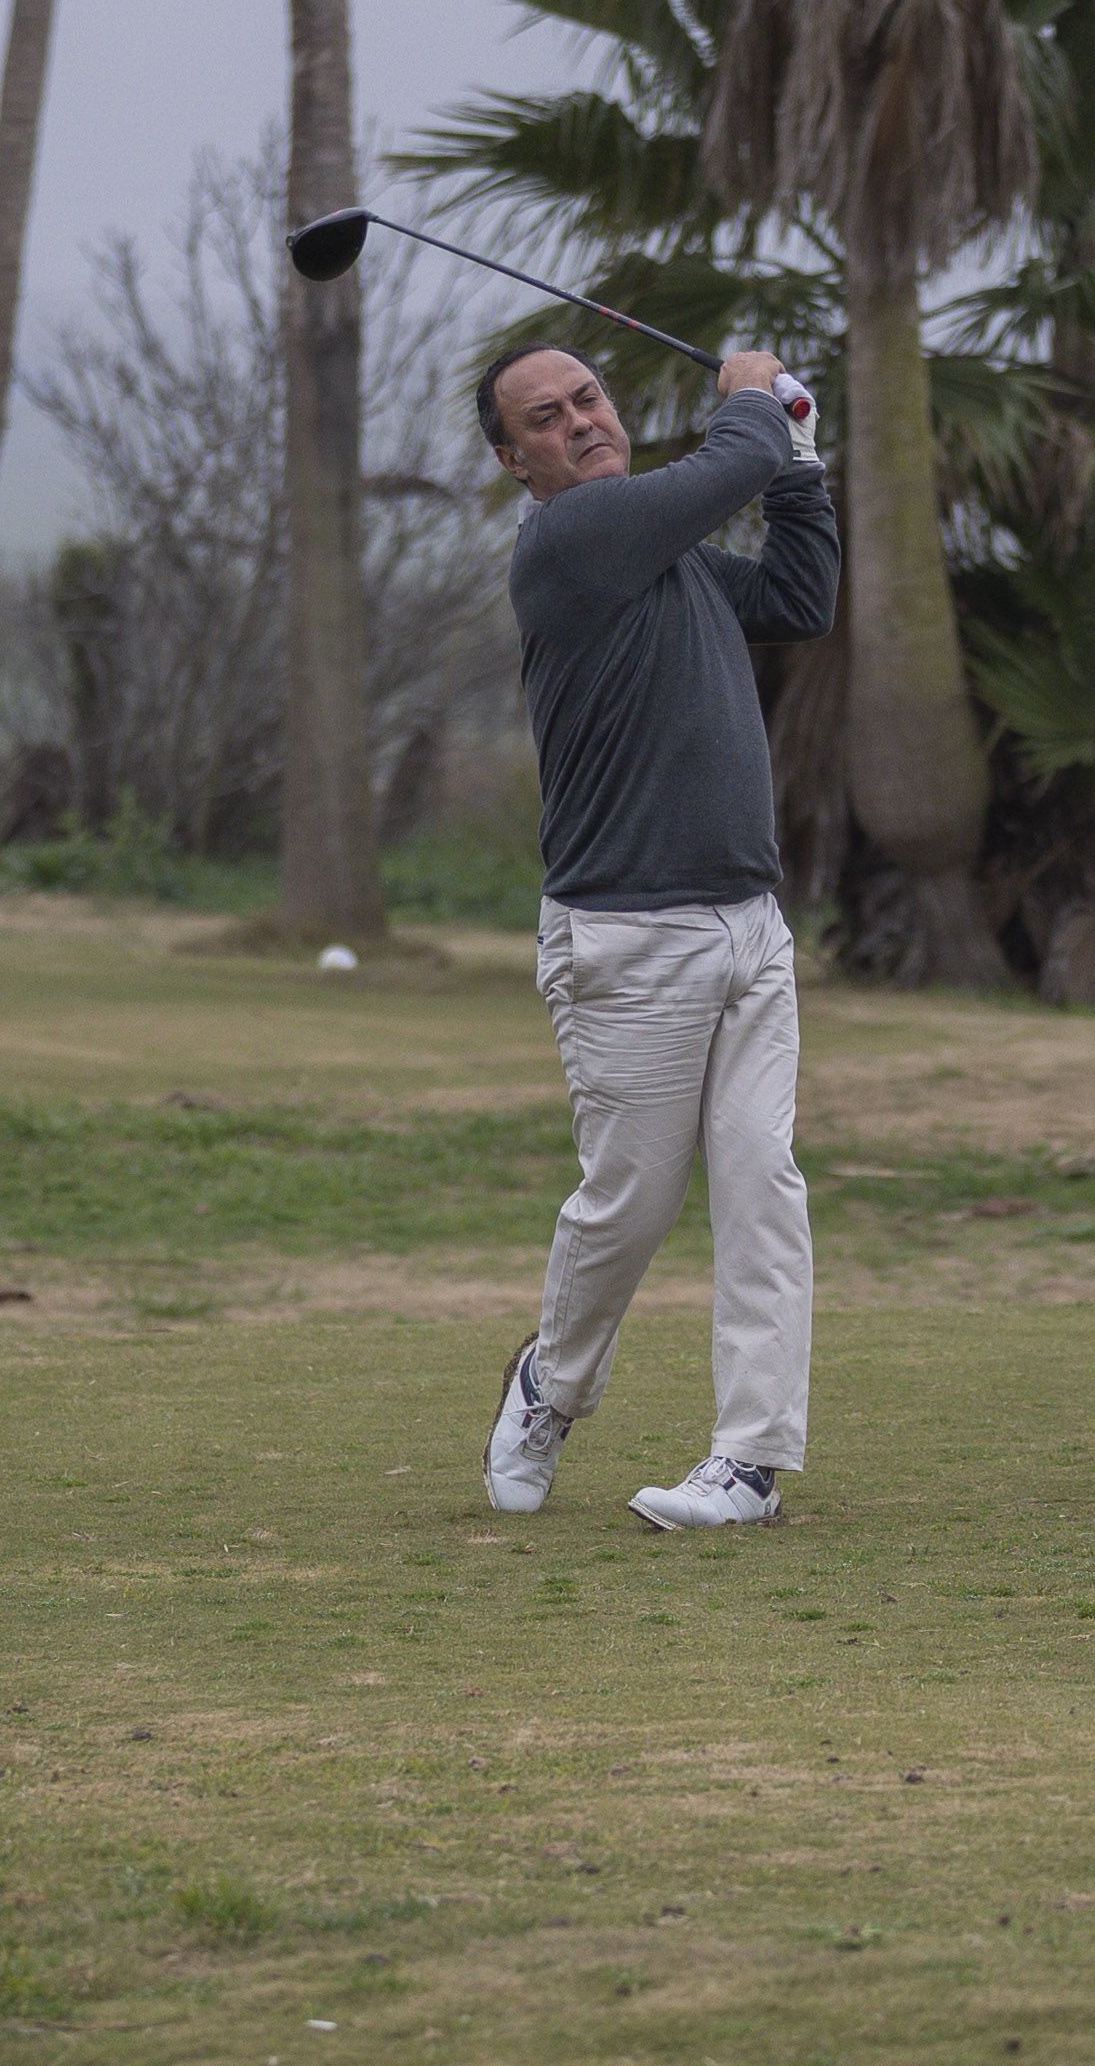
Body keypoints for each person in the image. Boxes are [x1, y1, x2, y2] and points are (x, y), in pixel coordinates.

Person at [476, 342, 839, 1530]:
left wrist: (804, 459)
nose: (580, 421)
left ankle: (750, 1462)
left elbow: (796, 598)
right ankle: (552, 1385)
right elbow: (720, 467)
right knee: (630, 1202)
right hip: (626, 941)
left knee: (762, 1183)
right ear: (516, 461)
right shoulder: (574, 542)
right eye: (547, 417)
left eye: (588, 398)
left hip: (749, 925)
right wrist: (754, 403)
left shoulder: (671, 563)